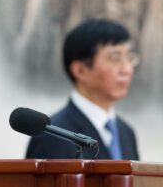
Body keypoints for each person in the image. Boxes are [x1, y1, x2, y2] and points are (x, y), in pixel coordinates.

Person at [26, 19, 139, 160]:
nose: (127, 69)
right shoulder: (53, 134)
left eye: (129, 58)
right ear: (80, 70)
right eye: (115, 58)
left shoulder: (126, 132)